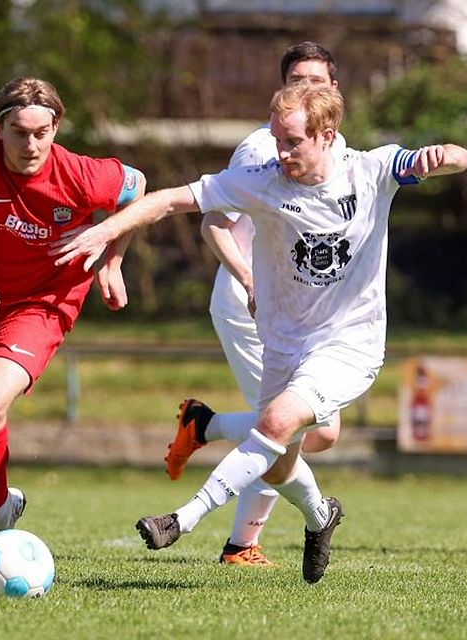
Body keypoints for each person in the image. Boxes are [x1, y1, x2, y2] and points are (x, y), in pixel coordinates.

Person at [56, 83, 467, 583]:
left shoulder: (372, 169)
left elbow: (461, 158)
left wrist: (443, 155)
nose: (281, 152)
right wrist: (104, 232)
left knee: (275, 422)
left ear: (327, 135)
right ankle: (321, 517)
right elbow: (169, 201)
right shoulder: (262, 181)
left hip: (349, 344)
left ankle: (182, 520)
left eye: (293, 141)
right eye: (277, 139)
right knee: (275, 465)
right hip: (283, 342)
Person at [0, 77, 145, 571]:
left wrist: (111, 256)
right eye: (19, 132)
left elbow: (138, 188)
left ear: (56, 126)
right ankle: (1, 508)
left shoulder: (82, 175)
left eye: (42, 132)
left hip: (45, 301)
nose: (32, 145)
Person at [178, 42, 346, 567]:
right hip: (249, 305)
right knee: (287, 429)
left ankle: (203, 426)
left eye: (318, 79)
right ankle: (241, 545)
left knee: (319, 432)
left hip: (299, 312)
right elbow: (213, 224)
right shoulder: (263, 149)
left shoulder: (336, 149)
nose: (310, 87)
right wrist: (250, 279)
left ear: (334, 89)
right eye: (299, 79)